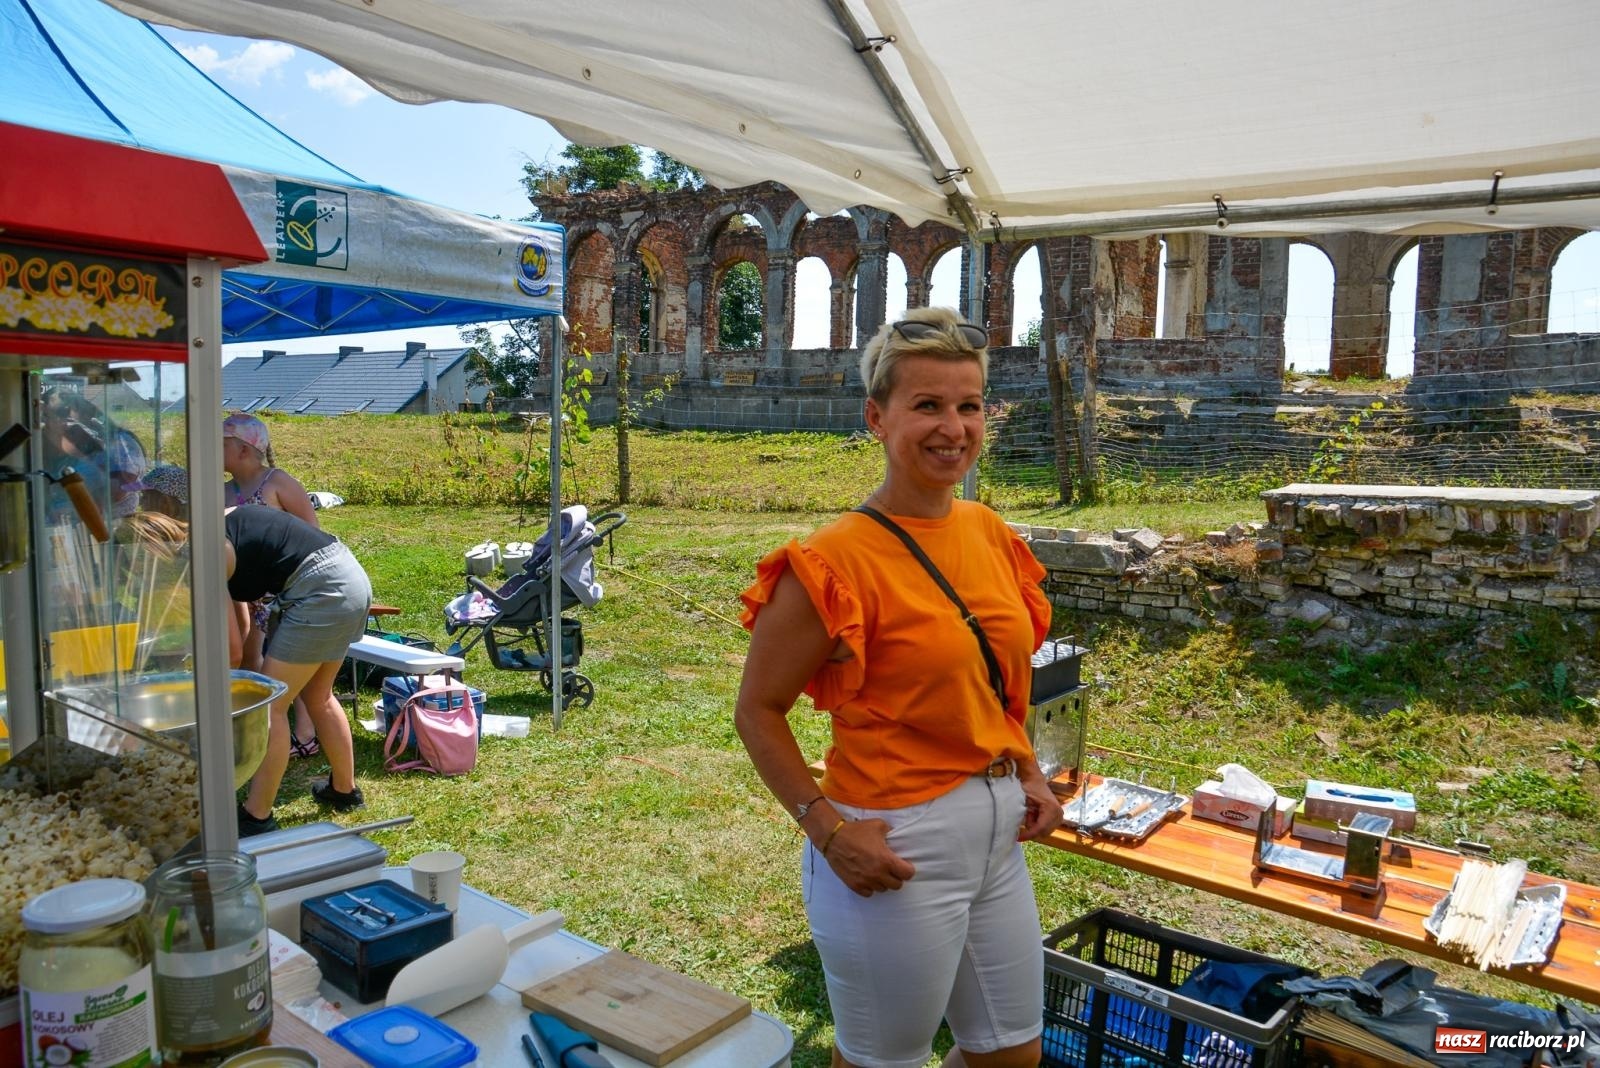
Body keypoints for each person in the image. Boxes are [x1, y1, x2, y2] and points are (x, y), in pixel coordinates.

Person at [734, 307, 1063, 1068]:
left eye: (969, 404)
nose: (953, 427)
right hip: (895, 843)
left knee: (1012, 1055)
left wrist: (1029, 770)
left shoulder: (987, 531)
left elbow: (995, 686)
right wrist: (826, 829)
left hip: (997, 832)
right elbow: (758, 709)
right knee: (886, 1062)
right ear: (877, 418)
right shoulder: (832, 560)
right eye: (928, 405)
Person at [225, 502, 371, 835]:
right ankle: (344, 791)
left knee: (270, 708)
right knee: (318, 696)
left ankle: (256, 815)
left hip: (320, 590)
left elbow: (233, 648)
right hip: (348, 577)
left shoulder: (211, 549)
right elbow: (242, 626)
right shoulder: (226, 520)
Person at [222, 412, 324, 758]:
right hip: (243, 595)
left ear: (244, 450)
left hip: (285, 593)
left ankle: (306, 732)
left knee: (296, 664)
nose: (214, 450)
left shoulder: (278, 483)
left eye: (222, 443)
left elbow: (313, 534)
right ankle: (252, 728)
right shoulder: (224, 490)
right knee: (249, 661)